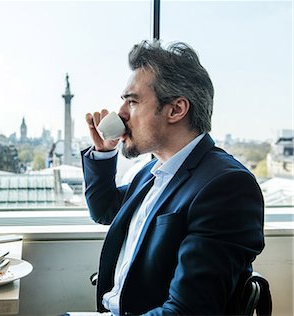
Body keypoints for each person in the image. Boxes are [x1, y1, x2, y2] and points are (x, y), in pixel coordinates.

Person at [81, 40, 265, 315]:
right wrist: (104, 153)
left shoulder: (227, 187)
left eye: (132, 102)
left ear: (176, 110)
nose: (120, 114)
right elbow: (105, 209)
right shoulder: (151, 172)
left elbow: (186, 312)